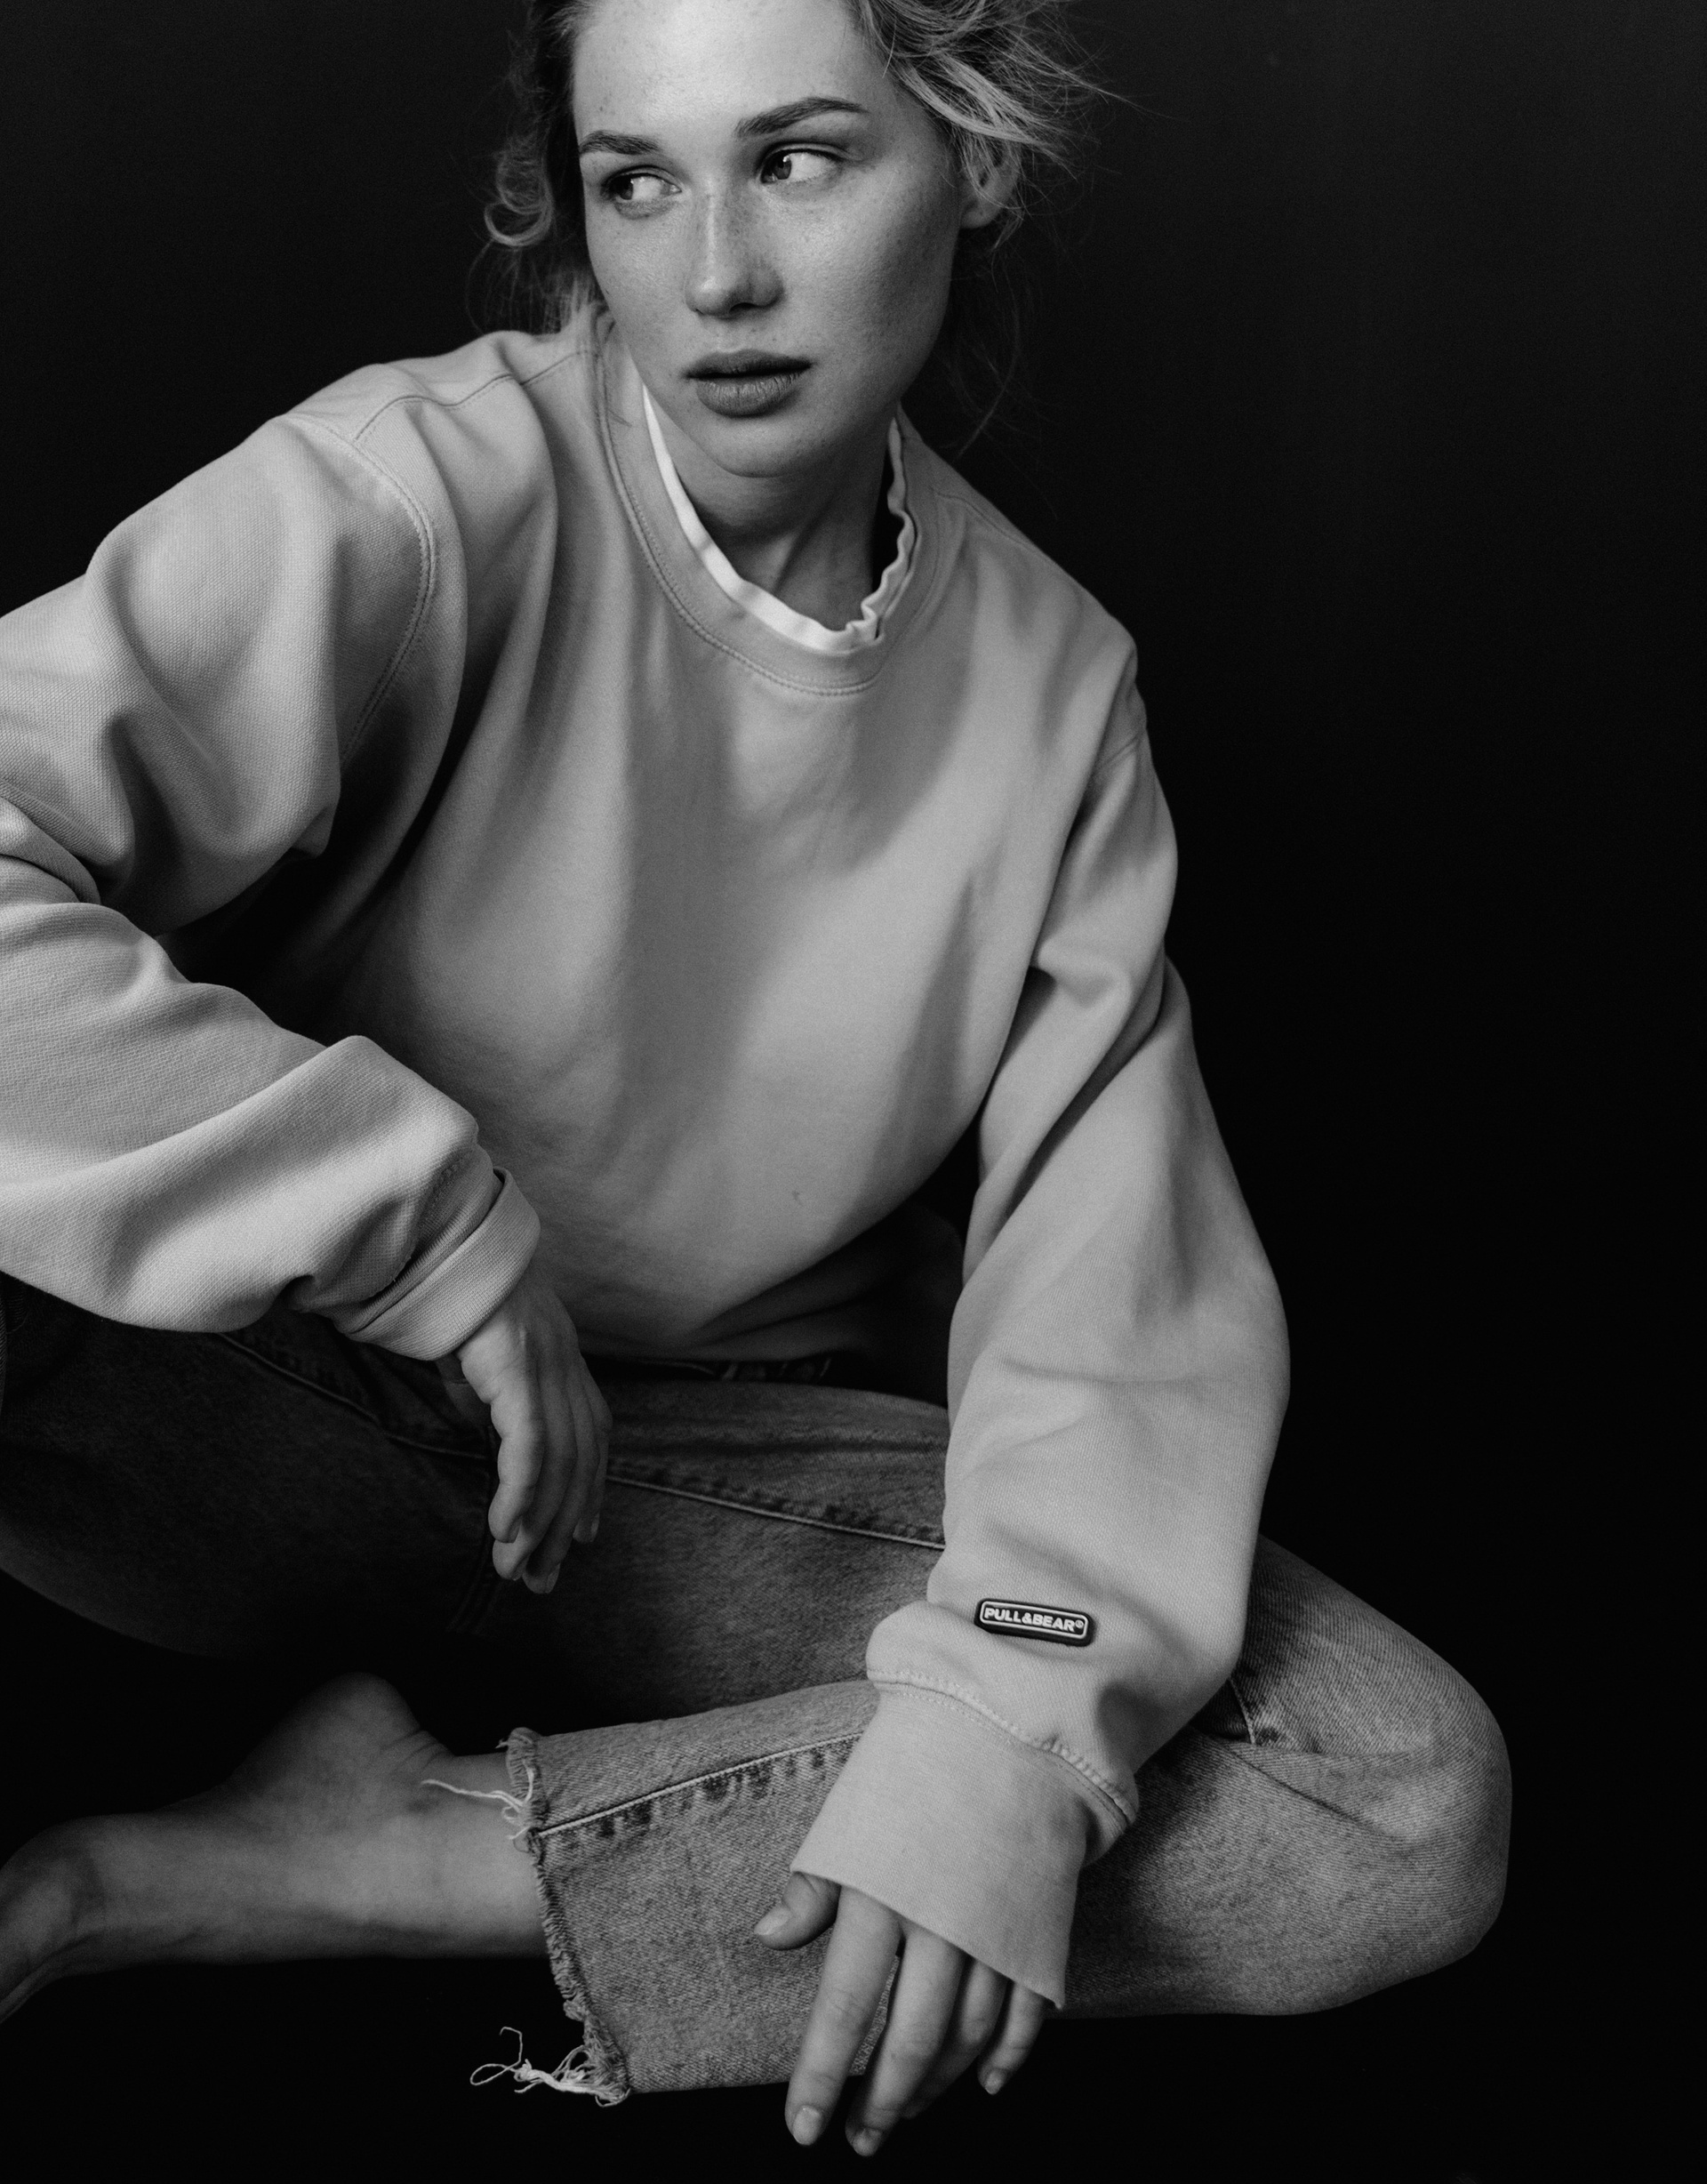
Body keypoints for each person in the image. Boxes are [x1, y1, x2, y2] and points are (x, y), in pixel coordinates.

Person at [0, 0, 1510, 2151]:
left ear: (971, 159)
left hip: (680, 1502)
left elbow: (1113, 1300)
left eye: (798, 158)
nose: (712, 272)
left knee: (1395, 1801)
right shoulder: (416, 489)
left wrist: (1006, 1729)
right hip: (224, 1411)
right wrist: (411, 1220)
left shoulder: (1058, 693)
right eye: (639, 180)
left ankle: (390, 1850)